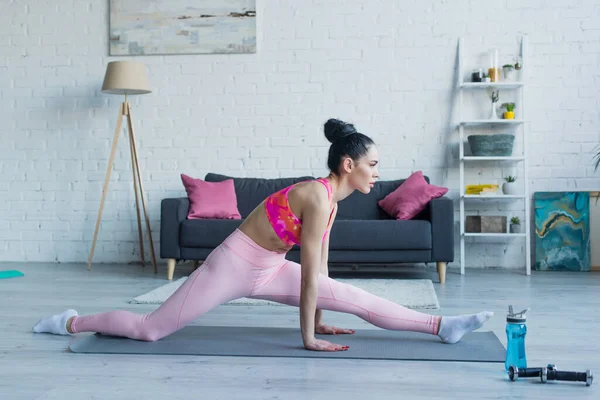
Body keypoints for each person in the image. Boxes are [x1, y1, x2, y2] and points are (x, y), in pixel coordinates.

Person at [33, 118, 493, 352]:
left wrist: (319, 315)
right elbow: (310, 274)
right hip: (233, 265)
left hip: (270, 269)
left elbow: (323, 274)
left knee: (352, 296)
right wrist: (307, 337)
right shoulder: (315, 195)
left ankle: (441, 327)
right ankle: (72, 321)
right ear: (348, 165)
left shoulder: (334, 199)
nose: (378, 173)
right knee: (151, 330)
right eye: (373, 165)